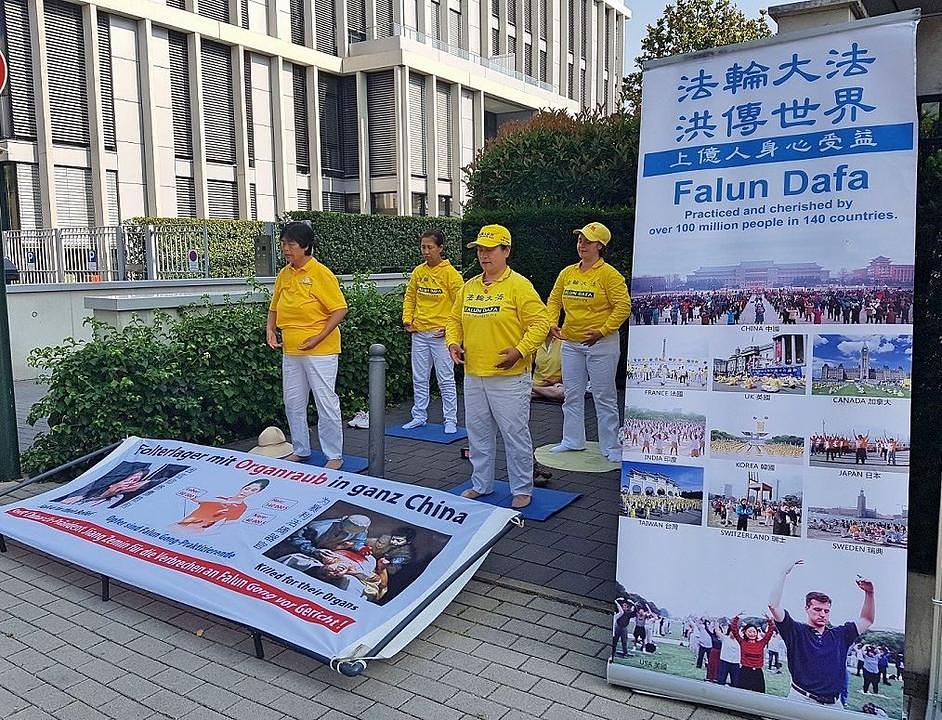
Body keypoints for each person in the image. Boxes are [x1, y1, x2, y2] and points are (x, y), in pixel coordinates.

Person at [446, 225, 549, 510]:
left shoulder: (519, 286)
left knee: (514, 434)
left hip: (509, 377)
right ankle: (481, 484)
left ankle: (521, 488)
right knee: (478, 433)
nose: (483, 255)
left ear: (506, 251)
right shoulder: (469, 287)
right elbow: (454, 321)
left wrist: (520, 351)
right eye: (480, 250)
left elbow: (540, 324)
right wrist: (453, 343)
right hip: (474, 374)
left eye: (490, 249)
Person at [546, 223, 631, 462]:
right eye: (580, 240)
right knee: (572, 394)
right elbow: (554, 301)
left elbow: (623, 306)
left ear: (600, 246)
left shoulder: (609, 274)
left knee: (604, 396)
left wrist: (603, 331)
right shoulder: (567, 272)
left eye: (588, 241)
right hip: (571, 343)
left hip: (601, 344)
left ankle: (611, 445)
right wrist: (552, 323)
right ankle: (572, 440)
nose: (581, 244)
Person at [267, 222, 348, 470]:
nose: (286, 249)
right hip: (291, 349)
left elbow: (339, 309)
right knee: (293, 401)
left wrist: (319, 336)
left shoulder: (321, 273)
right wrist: (270, 329)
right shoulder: (285, 273)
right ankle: (301, 449)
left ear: (305, 246)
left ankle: (334, 455)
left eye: (291, 244)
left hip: (320, 351)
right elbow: (274, 306)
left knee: (325, 401)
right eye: (283, 244)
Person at [768, 559, 875, 706]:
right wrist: (783, 573)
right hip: (801, 700)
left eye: (826, 611)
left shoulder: (840, 634)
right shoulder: (795, 631)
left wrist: (869, 593)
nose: (822, 614)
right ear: (807, 608)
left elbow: (867, 620)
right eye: (817, 609)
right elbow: (773, 605)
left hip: (834, 704)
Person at [401, 230, 464, 434]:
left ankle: (450, 420)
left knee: (445, 379)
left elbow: (461, 305)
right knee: (419, 377)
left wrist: (449, 329)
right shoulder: (419, 272)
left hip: (441, 337)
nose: (426, 251)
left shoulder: (451, 274)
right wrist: (407, 319)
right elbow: (410, 297)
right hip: (419, 334)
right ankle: (419, 416)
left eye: (430, 247)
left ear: (440, 248)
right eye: (423, 247)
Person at [176, 479, 270, 530]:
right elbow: (195, 499)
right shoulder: (220, 497)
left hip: (198, 529)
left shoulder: (242, 507)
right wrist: (226, 502)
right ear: (243, 487)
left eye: (253, 490)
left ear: (256, 493)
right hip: (183, 523)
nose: (247, 491)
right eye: (247, 488)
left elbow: (226, 524)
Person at [730, 613, 775, 692]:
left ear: (757, 633)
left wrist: (769, 621)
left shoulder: (762, 643)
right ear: (745, 633)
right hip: (745, 672)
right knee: (742, 693)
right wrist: (737, 617)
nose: (752, 634)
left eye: (754, 632)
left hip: (757, 672)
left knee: (759, 693)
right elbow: (734, 630)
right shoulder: (742, 642)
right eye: (750, 632)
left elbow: (770, 632)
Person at [531, 337, 565, 402]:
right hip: (537, 383)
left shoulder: (563, 341)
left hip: (556, 384)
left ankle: (533, 390)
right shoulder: (536, 341)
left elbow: (570, 369)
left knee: (561, 392)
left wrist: (557, 380)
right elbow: (529, 364)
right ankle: (543, 393)